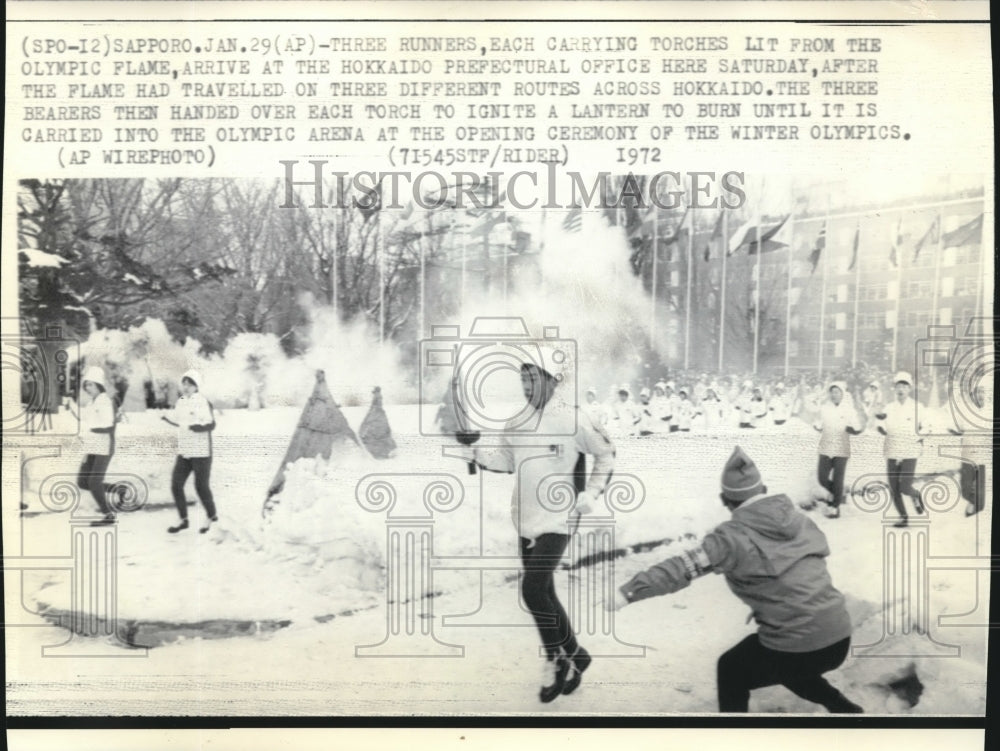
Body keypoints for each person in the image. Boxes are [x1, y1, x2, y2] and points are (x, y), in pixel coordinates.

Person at [609, 446, 862, 714]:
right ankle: (844, 710)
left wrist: (628, 593)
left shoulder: (728, 540)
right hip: (839, 637)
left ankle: (733, 736)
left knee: (732, 669)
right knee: (786, 666)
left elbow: (679, 568)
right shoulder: (799, 520)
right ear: (762, 489)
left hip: (797, 643)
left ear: (724, 499)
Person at [457, 350, 616, 703]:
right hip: (526, 518)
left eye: (533, 379)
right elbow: (506, 461)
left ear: (551, 379)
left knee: (532, 590)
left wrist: (592, 492)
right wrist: (476, 454)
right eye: (522, 380)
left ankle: (556, 658)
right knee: (544, 591)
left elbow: (607, 453)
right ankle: (577, 654)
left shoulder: (574, 418)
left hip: (560, 518)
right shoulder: (514, 423)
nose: (527, 387)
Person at [162, 370, 218, 534]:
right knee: (176, 485)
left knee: (201, 487)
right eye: (184, 384)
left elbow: (211, 425)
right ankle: (183, 520)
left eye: (190, 384)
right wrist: (166, 418)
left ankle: (211, 516)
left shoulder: (202, 402)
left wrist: (196, 427)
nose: (186, 387)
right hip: (185, 451)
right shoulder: (180, 402)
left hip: (201, 452)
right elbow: (179, 423)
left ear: (196, 386)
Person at [874, 371, 925, 528]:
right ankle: (904, 517)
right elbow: (880, 423)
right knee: (894, 487)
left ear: (909, 389)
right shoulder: (889, 408)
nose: (901, 389)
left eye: (904, 386)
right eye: (898, 386)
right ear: (894, 389)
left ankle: (916, 495)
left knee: (905, 487)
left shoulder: (917, 407)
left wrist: (919, 437)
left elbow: (927, 426)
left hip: (910, 451)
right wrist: (880, 427)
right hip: (892, 450)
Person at [808, 381, 864, 518]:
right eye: (832, 392)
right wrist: (816, 424)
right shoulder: (824, 408)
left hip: (841, 447)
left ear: (842, 394)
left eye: (837, 392)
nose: (834, 395)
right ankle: (837, 494)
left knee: (838, 478)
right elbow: (818, 424)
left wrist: (853, 428)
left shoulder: (849, 409)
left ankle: (835, 506)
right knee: (822, 478)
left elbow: (857, 427)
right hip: (826, 446)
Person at [77, 366, 119, 525]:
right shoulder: (91, 403)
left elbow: (108, 425)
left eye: (91, 385)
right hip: (91, 445)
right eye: (86, 385)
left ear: (99, 385)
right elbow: (87, 424)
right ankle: (119, 490)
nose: (88, 388)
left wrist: (92, 430)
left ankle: (108, 515)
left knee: (94, 482)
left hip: (103, 446)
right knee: (83, 482)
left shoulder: (104, 401)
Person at [948, 373, 990, 517]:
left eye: (983, 391)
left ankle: (974, 508)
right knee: (965, 490)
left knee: (981, 501)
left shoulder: (990, 412)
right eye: (978, 391)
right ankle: (973, 505)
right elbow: (956, 428)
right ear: (972, 394)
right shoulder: (965, 411)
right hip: (966, 457)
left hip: (981, 461)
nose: (981, 395)